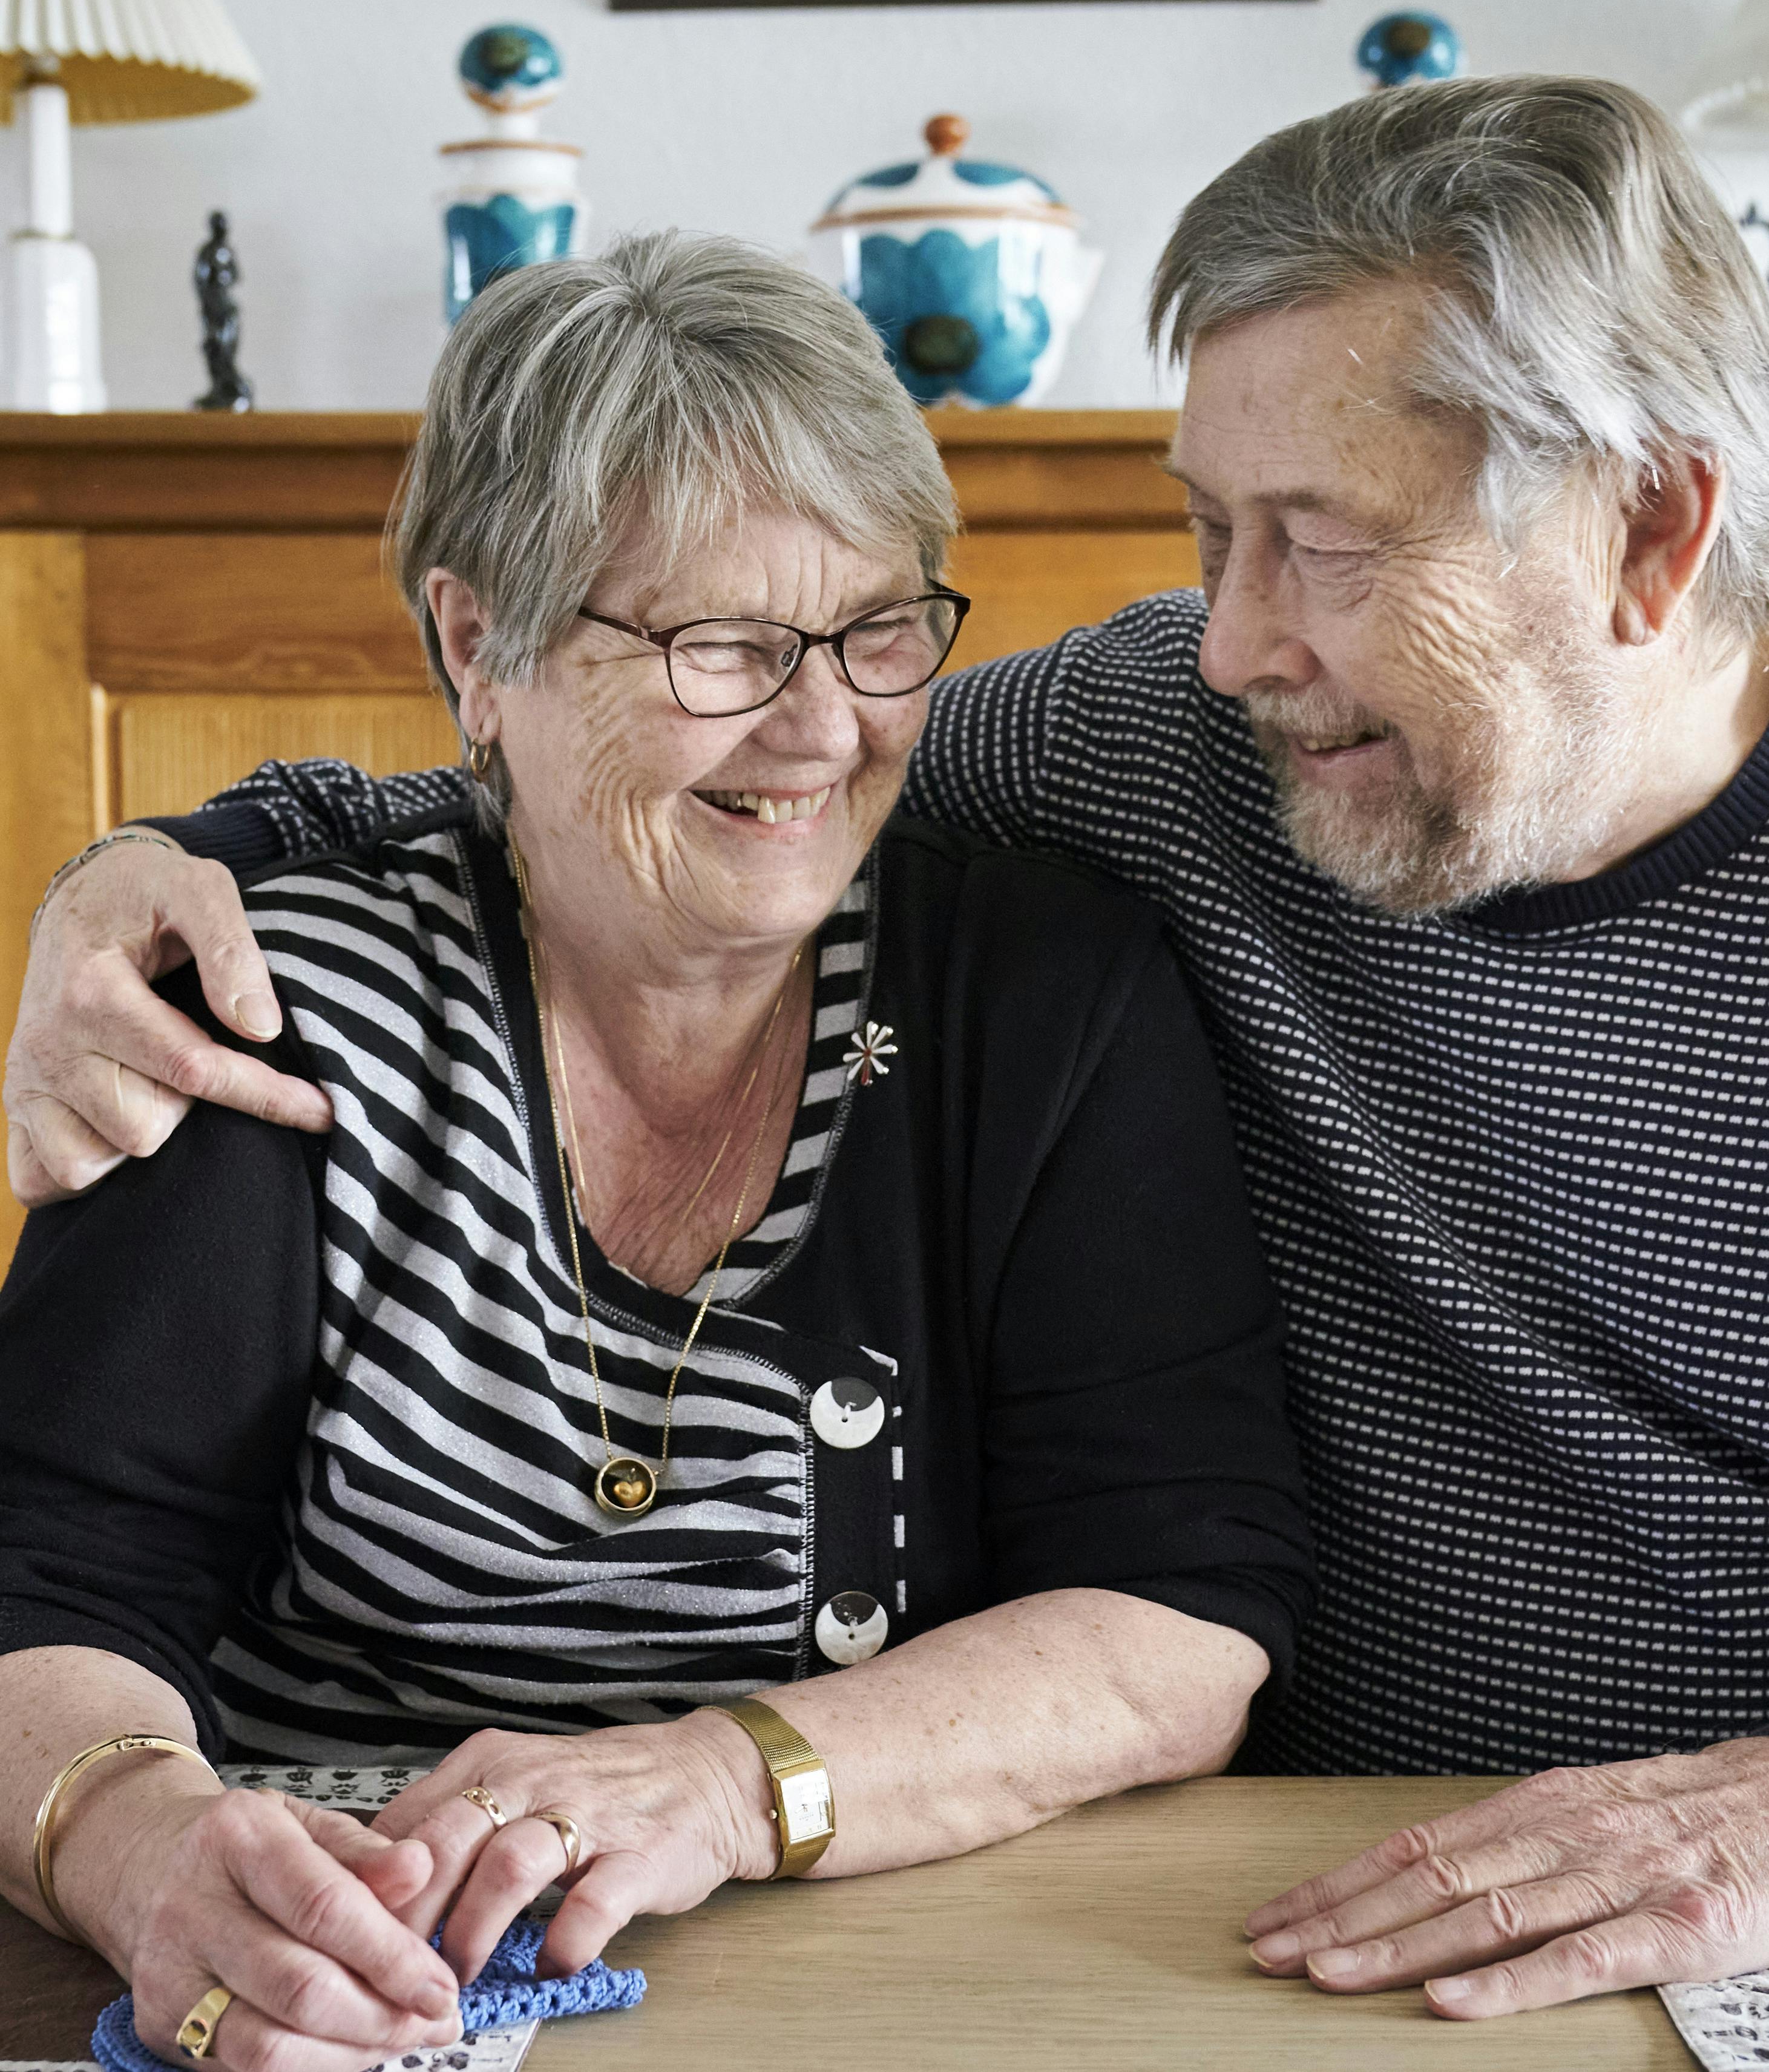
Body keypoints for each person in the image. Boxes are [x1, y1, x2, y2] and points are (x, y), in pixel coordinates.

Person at [19, 74, 1769, 2024]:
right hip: (1294, 1895)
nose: (1226, 643)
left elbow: (1177, 1591)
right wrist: (154, 864)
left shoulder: (1089, 908)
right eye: (1209, 534)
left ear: (1649, 529)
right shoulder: (1187, 743)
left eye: (1325, 544)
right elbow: (596, 784)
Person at [0, 235, 1312, 2071]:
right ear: (480, 645)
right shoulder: (257, 1001)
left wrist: (723, 1782)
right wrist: (139, 1851)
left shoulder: (1039, 999)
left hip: (888, 1949)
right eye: (717, 644)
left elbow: (1183, 1606)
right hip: (325, 1962)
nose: (822, 726)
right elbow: (43, 1573)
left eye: (873, 631)